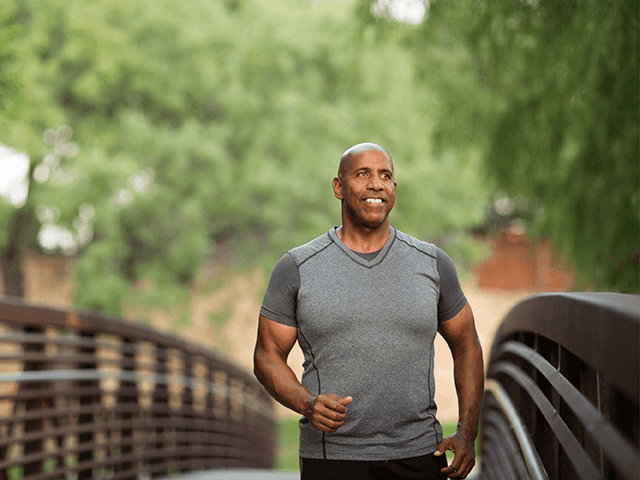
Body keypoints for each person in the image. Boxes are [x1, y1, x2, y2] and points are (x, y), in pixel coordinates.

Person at [253, 143, 484, 479]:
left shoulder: (432, 263)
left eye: (386, 176)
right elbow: (266, 355)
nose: (377, 184)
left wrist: (467, 432)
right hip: (332, 458)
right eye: (363, 174)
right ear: (339, 187)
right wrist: (306, 403)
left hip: (419, 454)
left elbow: (467, 344)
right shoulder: (297, 267)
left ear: (393, 189)